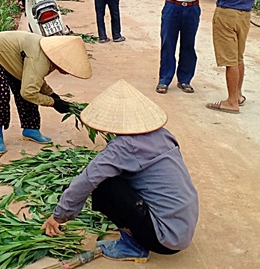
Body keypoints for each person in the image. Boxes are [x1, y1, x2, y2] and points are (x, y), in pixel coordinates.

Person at [42, 79, 199, 263]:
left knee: (105, 186)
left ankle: (134, 246)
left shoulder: (124, 146)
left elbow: (87, 179)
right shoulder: (164, 134)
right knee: (117, 176)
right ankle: (139, 229)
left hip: (163, 239)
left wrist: (59, 215)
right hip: (183, 226)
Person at [0, 31, 92, 154]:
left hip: (13, 57)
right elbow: (28, 92)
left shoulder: (49, 55)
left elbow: (36, 79)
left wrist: (53, 95)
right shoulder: (40, 59)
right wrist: (53, 103)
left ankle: (30, 129)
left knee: (28, 86)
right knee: (2, 95)